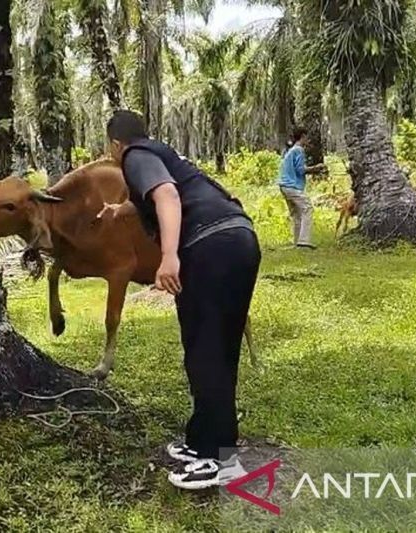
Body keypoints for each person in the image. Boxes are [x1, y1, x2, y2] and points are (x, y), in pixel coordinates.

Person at [98, 110, 261, 490]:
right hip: (238, 237)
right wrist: (118, 209)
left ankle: (218, 461)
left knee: (204, 350)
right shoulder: (162, 152)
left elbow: (167, 195)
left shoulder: (134, 157)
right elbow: (170, 192)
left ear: (115, 145)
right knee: (220, 350)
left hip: (209, 246)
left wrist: (169, 256)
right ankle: (204, 440)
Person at [278, 126, 325, 249]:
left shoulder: (291, 150)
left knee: (297, 214)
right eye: (306, 137)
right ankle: (304, 241)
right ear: (303, 136)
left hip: (284, 185)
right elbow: (300, 170)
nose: (307, 140)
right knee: (307, 208)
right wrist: (316, 168)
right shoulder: (299, 150)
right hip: (292, 185)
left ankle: (297, 242)